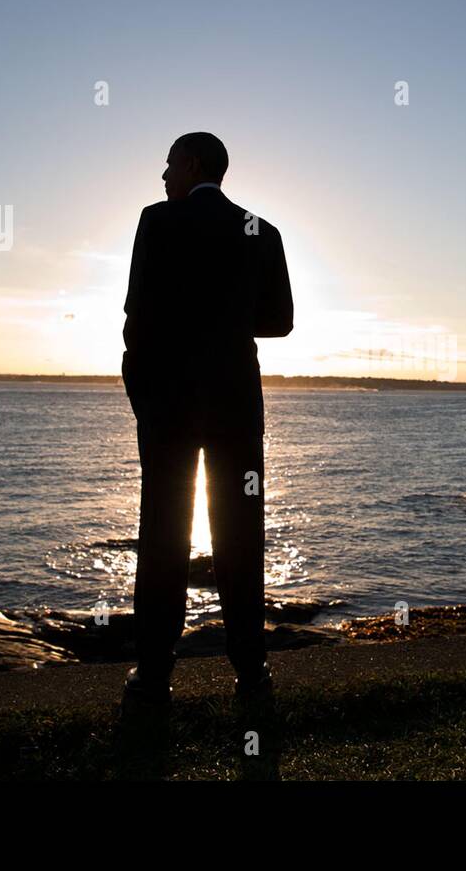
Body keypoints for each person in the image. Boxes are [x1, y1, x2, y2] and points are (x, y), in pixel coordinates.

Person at [120, 131, 293, 708]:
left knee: (163, 532)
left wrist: (141, 392)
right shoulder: (260, 230)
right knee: (241, 536)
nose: (163, 175)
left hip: (168, 406)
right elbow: (280, 321)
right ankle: (252, 673)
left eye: (168, 163)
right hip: (236, 405)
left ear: (191, 163)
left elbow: (136, 316)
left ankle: (152, 675)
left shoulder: (157, 222)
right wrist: (228, 320)